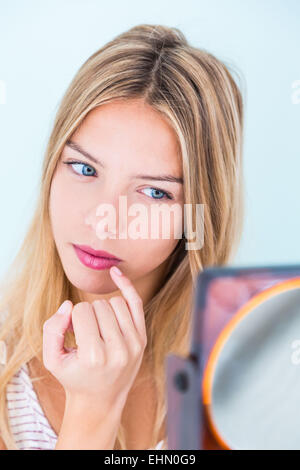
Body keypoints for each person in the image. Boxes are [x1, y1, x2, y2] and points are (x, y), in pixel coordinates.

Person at [0, 23, 244, 450]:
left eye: (154, 192)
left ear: (199, 217)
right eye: (85, 169)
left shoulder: (242, 377)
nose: (104, 221)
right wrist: (93, 411)